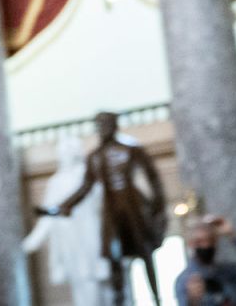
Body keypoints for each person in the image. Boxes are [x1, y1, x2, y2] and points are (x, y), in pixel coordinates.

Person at [57, 112, 166, 306]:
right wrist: (66, 205)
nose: (103, 129)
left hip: (134, 208)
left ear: (114, 125)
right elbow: (86, 186)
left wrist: (158, 203)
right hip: (111, 212)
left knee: (145, 253)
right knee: (114, 257)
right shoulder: (94, 157)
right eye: (100, 125)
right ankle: (120, 300)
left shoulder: (131, 148)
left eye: (106, 124)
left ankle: (157, 299)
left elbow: (153, 176)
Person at [24, 136, 114, 306]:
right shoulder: (56, 182)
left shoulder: (87, 177)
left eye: (67, 152)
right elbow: (48, 216)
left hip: (89, 234)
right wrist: (32, 241)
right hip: (70, 239)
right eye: (61, 153)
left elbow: (101, 204)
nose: (64, 156)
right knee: (80, 284)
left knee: (98, 285)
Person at [173, 216, 236, 306]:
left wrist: (233, 235)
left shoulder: (225, 271)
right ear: (191, 244)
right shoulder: (184, 281)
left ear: (215, 242)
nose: (206, 246)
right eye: (199, 241)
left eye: (210, 240)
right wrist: (193, 300)